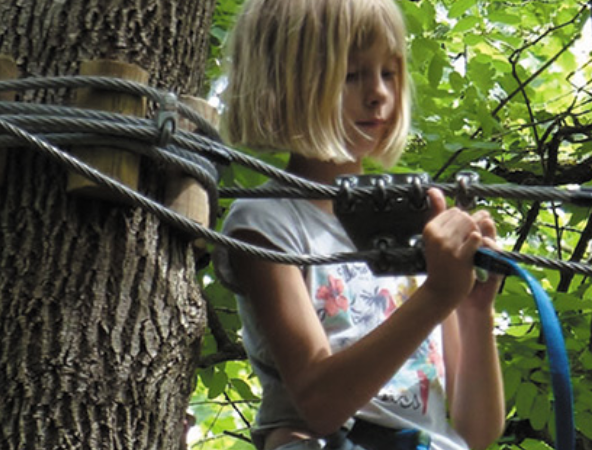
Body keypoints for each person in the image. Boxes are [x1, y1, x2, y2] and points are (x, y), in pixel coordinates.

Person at [213, 0, 505, 449]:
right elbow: (321, 403)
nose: (378, 94)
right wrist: (439, 294)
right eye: (352, 75)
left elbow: (475, 432)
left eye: (388, 73)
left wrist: (472, 309)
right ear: (285, 83)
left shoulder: (415, 219)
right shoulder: (266, 224)